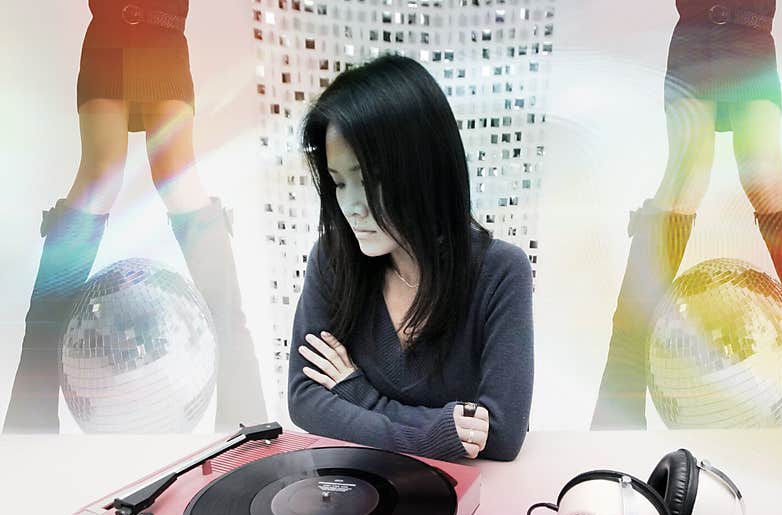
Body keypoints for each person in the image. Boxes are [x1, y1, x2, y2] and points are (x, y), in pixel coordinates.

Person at [4, 0, 266, 433]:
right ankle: (29, 413)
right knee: (100, 179)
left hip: (165, 33)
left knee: (179, 184)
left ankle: (246, 409)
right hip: (110, 30)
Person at [591, 0, 782, 429]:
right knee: (684, 178)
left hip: (752, 33)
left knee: (764, 176)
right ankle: (616, 411)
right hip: (693, 37)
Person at [288, 55, 534, 461]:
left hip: (467, 497)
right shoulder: (332, 259)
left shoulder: (500, 272)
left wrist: (356, 393)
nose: (350, 206)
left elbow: (502, 437)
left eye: (366, 181)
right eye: (338, 183)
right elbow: (304, 398)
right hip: (356, 488)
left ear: (423, 171)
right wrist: (430, 437)